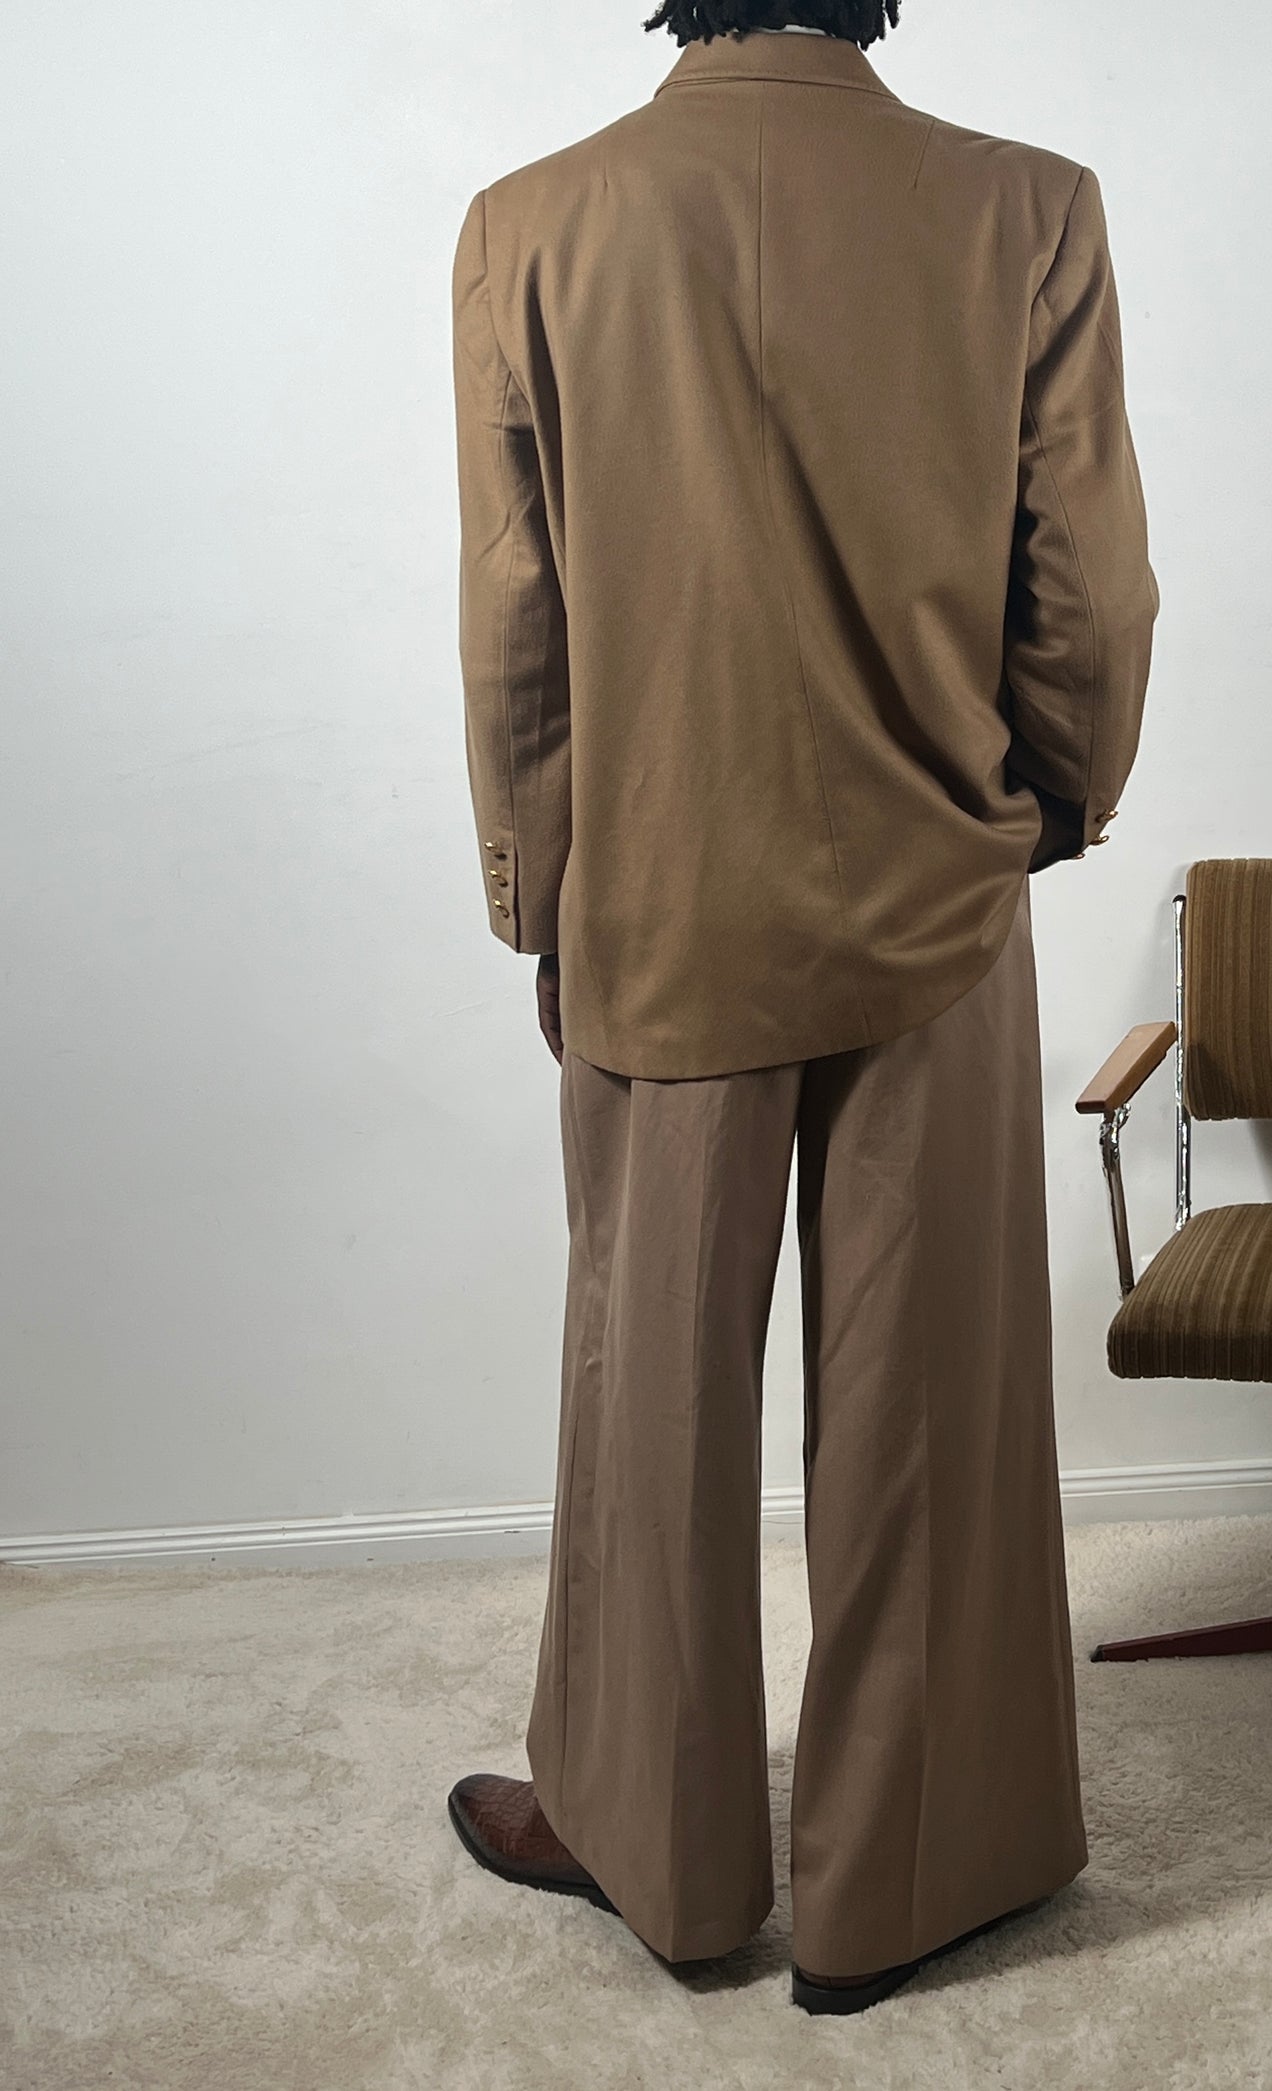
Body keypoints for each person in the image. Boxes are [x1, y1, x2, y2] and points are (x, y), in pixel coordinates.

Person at [444, 0, 1156, 2016]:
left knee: (648, 1397)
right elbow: (1089, 582)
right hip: (935, 898)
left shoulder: (533, 220)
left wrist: (540, 888)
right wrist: (1045, 802)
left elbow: (517, 609)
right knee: (932, 1397)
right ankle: (913, 1871)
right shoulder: (1026, 207)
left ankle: (647, 1842)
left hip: (662, 898)